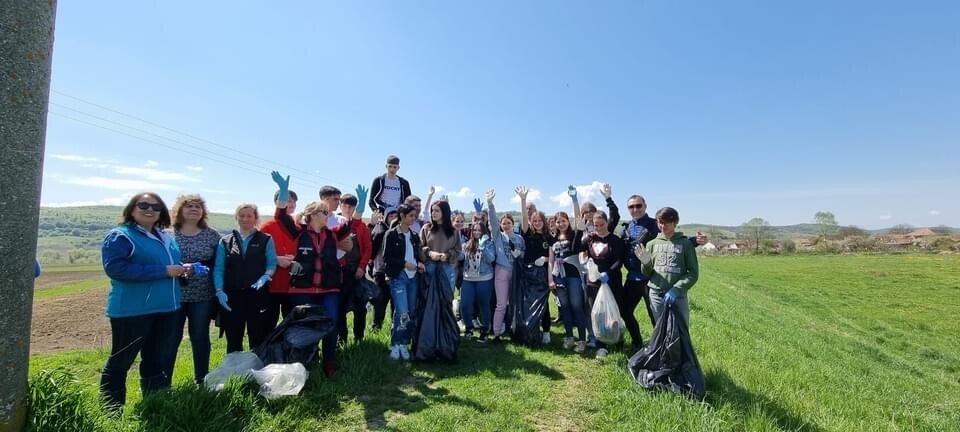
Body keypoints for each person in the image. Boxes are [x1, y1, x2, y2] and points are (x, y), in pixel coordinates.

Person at [100, 193, 192, 409]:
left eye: (156, 207)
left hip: (167, 308)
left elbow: (169, 266)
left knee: (156, 359)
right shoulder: (121, 236)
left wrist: (181, 270)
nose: (150, 210)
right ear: (132, 209)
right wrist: (164, 271)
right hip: (133, 310)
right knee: (121, 361)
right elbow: (116, 269)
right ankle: (111, 411)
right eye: (143, 205)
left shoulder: (165, 237)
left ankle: (154, 405)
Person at [272, 172, 353, 377]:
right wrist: (283, 194)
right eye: (324, 212)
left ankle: (329, 361)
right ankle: (304, 363)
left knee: (331, 322)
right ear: (314, 215)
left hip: (328, 289)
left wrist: (357, 210)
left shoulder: (331, 234)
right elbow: (281, 217)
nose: (328, 215)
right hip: (302, 290)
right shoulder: (298, 232)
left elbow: (348, 226)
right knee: (305, 327)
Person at [620, 194, 705, 328]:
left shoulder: (655, 223)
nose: (635, 209)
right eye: (631, 207)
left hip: (652, 278)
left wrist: (694, 240)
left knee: (656, 317)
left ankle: (661, 340)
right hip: (633, 277)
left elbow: (671, 238)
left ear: (645, 206)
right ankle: (638, 340)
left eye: (638, 205)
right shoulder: (626, 228)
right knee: (625, 312)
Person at [169, 194, 221, 385]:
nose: (193, 209)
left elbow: (220, 264)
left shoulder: (212, 235)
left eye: (198, 206)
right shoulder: (168, 234)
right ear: (179, 210)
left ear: (203, 212)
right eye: (189, 206)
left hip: (203, 295)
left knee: (200, 337)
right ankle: (163, 382)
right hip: (173, 295)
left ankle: (202, 379)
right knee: (170, 338)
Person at [213, 204, 277, 353]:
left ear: (255, 218)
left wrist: (266, 276)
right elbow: (219, 268)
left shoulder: (266, 239)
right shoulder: (225, 241)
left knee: (258, 337)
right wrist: (219, 291)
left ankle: (256, 366)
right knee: (233, 338)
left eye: (249, 216)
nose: (245, 219)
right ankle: (235, 366)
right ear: (236, 218)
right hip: (232, 296)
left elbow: (272, 264)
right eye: (241, 216)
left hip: (257, 295)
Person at [637, 207, 699, 326]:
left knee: (679, 329)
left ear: (675, 222)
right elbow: (647, 273)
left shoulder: (685, 244)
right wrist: (646, 263)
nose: (663, 226)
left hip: (677, 295)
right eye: (660, 222)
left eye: (667, 222)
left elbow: (693, 273)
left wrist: (677, 289)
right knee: (661, 328)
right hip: (656, 294)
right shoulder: (651, 244)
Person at [383, 204, 426, 360]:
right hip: (399, 276)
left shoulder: (414, 235)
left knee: (411, 312)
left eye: (415, 216)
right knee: (402, 312)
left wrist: (419, 263)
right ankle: (396, 343)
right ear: (402, 215)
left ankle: (404, 343)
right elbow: (387, 258)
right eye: (411, 216)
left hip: (413, 277)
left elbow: (417, 255)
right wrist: (404, 264)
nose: (413, 219)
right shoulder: (391, 234)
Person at [547, 201, 590, 352]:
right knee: (564, 307)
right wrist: (550, 279)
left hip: (573, 276)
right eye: (558, 222)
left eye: (563, 221)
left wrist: (574, 200)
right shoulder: (552, 239)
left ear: (568, 221)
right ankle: (569, 337)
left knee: (577, 306)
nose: (561, 224)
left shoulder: (574, 235)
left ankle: (582, 340)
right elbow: (551, 260)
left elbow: (578, 219)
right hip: (559, 277)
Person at [515, 186, 555, 345]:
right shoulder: (527, 234)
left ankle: (546, 331)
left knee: (543, 304)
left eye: (540, 221)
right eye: (535, 221)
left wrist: (545, 259)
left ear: (544, 222)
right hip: (528, 273)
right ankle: (529, 330)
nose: (537, 223)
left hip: (543, 274)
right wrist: (523, 200)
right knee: (528, 303)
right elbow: (524, 219)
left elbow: (553, 257)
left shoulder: (549, 237)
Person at [485, 189, 525, 342]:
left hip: (516, 273)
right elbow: (492, 220)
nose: (506, 225)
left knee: (515, 303)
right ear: (500, 225)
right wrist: (490, 204)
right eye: (504, 223)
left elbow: (524, 254)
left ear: (513, 224)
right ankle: (496, 332)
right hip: (501, 271)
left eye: (509, 223)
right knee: (501, 303)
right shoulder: (498, 236)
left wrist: (519, 254)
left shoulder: (519, 238)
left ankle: (514, 329)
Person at [259, 188, 300, 331]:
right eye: (287, 200)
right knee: (268, 324)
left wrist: (296, 258)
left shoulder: (297, 227)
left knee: (292, 324)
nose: (291, 204)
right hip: (272, 285)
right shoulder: (267, 227)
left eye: (294, 201)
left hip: (292, 284)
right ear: (277, 202)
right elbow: (257, 253)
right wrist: (275, 259)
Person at [336, 190, 372, 344]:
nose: (348, 209)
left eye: (351, 207)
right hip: (340, 273)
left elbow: (367, 248)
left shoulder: (361, 226)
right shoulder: (334, 223)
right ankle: (342, 339)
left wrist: (362, 267)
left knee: (360, 307)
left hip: (357, 271)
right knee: (340, 307)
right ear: (340, 206)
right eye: (345, 206)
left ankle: (359, 338)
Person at [460, 221, 496, 342]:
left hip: (484, 279)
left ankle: (485, 330)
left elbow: (491, 259)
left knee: (484, 305)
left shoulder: (489, 244)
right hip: (468, 279)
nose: (476, 232)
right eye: (474, 230)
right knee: (465, 305)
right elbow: (460, 257)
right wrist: (458, 245)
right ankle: (469, 328)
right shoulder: (466, 244)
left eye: (479, 230)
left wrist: (482, 247)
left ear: (483, 231)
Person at [420, 200, 461, 295]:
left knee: (445, 299)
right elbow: (419, 247)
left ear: (444, 212)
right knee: (429, 299)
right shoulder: (427, 228)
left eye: (437, 210)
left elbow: (458, 250)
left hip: (447, 269)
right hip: (429, 268)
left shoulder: (453, 231)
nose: (433, 213)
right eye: (432, 210)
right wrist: (430, 253)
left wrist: (447, 255)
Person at [369, 209, 398, 331]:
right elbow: (372, 249)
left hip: (395, 273)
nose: (393, 218)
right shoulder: (380, 230)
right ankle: (376, 328)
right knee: (380, 301)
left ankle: (394, 328)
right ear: (386, 217)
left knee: (395, 303)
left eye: (396, 216)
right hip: (380, 271)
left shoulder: (399, 231)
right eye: (391, 215)